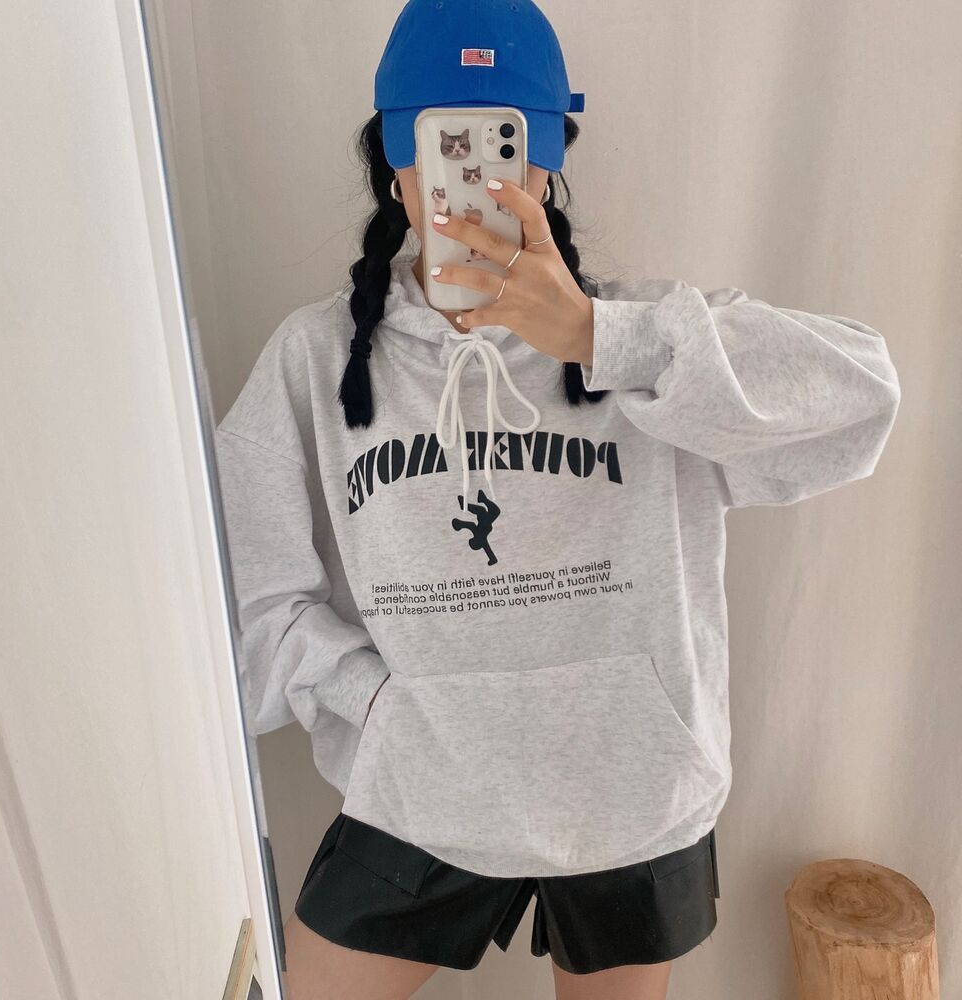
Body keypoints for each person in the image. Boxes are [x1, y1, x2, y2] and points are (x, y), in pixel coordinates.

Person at [213, 2, 902, 998]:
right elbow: (243, 589)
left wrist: (597, 339)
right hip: (423, 790)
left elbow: (862, 396)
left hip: (628, 795)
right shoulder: (318, 359)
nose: (476, 184)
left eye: (505, 149)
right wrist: (377, 706)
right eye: (443, 148)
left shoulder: (650, 340)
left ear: (545, 167)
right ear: (394, 165)